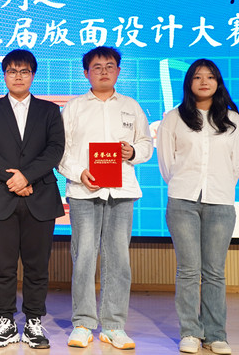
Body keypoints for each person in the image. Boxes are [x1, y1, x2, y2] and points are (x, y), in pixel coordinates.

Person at [58, 46, 152, 350]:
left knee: (118, 258)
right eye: (97, 67)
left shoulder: (131, 106)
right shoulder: (74, 107)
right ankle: (83, 323)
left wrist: (133, 152)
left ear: (118, 71)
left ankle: (113, 325)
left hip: (121, 191)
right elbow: (60, 150)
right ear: (86, 73)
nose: (103, 71)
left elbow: (146, 144)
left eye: (109, 66)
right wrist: (79, 172)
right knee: (84, 255)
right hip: (84, 191)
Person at [0, 49, 64, 349]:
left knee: (37, 266)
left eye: (24, 71)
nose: (18, 76)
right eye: (12, 71)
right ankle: (6, 321)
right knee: (2, 267)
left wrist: (26, 176)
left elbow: (55, 149)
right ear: (4, 75)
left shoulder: (49, 111)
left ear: (33, 75)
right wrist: (13, 179)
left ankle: (34, 322)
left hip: (40, 196)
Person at [157, 59, 238, 355]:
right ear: (188, 82)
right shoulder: (174, 118)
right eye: (198, 77)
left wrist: (221, 185)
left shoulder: (233, 119)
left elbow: (236, 164)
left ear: (218, 82)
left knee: (214, 271)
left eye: (210, 77)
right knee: (189, 270)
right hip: (183, 201)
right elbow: (166, 163)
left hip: (220, 201)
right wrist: (184, 184)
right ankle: (191, 331)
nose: (204, 82)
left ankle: (216, 335)